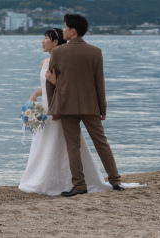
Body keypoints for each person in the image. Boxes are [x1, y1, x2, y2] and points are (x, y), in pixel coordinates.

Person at [18, 28, 118, 195]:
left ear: (55, 42)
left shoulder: (63, 59)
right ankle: (43, 177)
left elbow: (65, 87)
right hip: (48, 107)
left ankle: (75, 182)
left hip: (60, 107)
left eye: (46, 38)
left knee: (68, 145)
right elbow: (46, 86)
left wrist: (54, 83)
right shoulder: (44, 62)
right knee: (44, 145)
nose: (42, 41)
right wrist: (35, 93)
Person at [46, 13, 133, 197]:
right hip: (91, 105)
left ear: (73, 30)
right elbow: (99, 83)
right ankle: (115, 180)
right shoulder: (95, 52)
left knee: (73, 146)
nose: (63, 31)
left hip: (66, 106)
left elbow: (49, 81)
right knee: (101, 143)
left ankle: (79, 185)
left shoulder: (58, 52)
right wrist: (103, 108)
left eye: (64, 27)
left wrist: (53, 108)